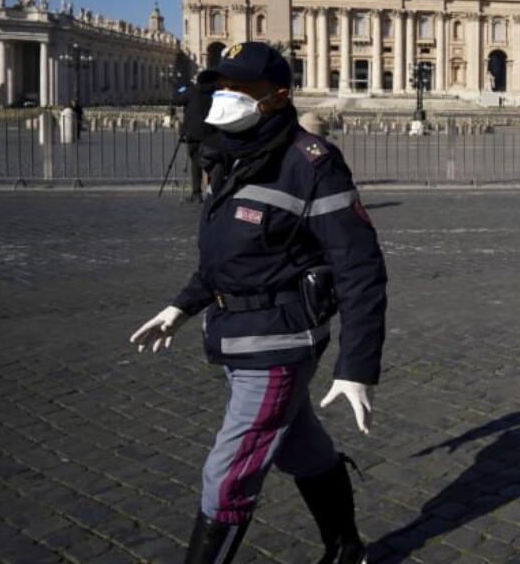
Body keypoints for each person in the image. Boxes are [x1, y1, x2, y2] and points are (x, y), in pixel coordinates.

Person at [129, 42, 388, 564]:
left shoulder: (312, 163)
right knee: (299, 448)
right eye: (222, 86)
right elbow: (228, 257)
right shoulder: (228, 153)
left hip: (280, 343)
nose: (226, 97)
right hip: (232, 332)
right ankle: (347, 549)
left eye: (241, 89)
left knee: (226, 478)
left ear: (277, 97)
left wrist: (356, 367)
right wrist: (182, 306)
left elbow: (360, 270)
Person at [172, 79, 219, 202]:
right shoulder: (213, 93)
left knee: (195, 163)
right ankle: (212, 191)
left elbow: (176, 100)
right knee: (211, 161)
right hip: (210, 132)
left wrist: (181, 88)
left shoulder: (192, 91)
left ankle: (197, 193)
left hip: (193, 133)